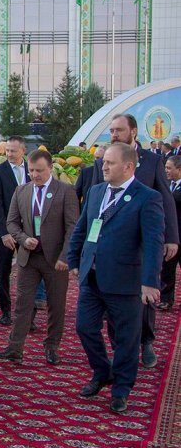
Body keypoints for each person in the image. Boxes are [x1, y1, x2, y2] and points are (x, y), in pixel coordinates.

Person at [68, 143, 164, 413]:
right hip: (92, 277)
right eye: (103, 162)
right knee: (84, 328)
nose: (104, 166)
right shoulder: (96, 191)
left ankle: (121, 389)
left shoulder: (147, 197)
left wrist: (149, 282)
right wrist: (74, 259)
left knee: (125, 339)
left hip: (125, 281)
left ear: (128, 167)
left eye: (110, 163)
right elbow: (83, 228)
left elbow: (154, 243)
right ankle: (102, 372)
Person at [91, 114, 179, 368]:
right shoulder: (103, 161)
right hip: (111, 241)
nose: (114, 134)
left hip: (143, 241)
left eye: (119, 130)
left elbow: (166, 198)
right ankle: (119, 345)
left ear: (133, 131)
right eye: (111, 130)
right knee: (111, 294)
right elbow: (98, 201)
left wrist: (171, 237)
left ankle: (146, 342)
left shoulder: (152, 161)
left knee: (145, 290)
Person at [0, 150, 79, 365]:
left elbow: (73, 227)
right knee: (22, 303)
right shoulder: (21, 191)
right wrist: (22, 239)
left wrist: (65, 257)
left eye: (39, 170)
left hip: (55, 260)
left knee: (56, 305)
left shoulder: (65, 191)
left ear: (50, 168)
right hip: (28, 257)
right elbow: (11, 222)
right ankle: (15, 348)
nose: (35, 175)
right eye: (31, 170)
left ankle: (51, 346)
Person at [0, 136, 30, 325]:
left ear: (23, 150)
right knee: (3, 270)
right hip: (4, 231)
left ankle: (28, 314)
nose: (10, 154)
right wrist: (5, 232)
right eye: (7, 150)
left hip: (28, 231)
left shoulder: (32, 170)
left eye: (13, 150)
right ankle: (5, 310)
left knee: (29, 272)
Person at [159, 155, 181, 311]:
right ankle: (166, 300)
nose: (166, 170)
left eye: (169, 168)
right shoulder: (165, 185)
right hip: (170, 236)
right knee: (167, 270)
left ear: (179, 169)